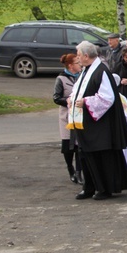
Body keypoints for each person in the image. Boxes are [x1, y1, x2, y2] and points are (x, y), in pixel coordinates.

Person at [68, 41, 127, 200]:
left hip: (99, 125)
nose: (77, 58)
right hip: (85, 122)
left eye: (78, 55)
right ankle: (89, 186)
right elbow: (78, 89)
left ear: (85, 55)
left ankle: (104, 188)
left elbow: (107, 97)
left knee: (100, 156)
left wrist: (86, 102)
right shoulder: (86, 71)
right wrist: (72, 98)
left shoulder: (101, 71)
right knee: (85, 154)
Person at [53, 53, 83, 184]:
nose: (80, 64)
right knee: (68, 146)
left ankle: (79, 172)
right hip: (66, 117)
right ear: (71, 66)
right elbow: (56, 98)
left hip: (80, 115)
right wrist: (68, 101)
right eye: (77, 62)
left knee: (80, 146)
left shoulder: (83, 76)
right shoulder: (61, 79)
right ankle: (70, 168)